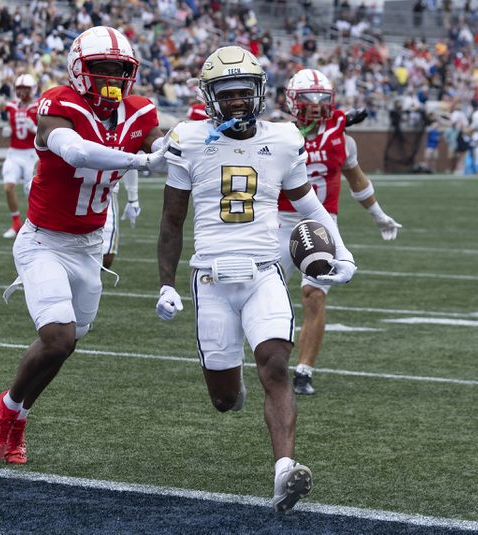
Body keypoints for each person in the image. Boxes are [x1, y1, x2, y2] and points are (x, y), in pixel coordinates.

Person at [157, 47, 357, 513]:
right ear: (211, 98)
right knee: (225, 399)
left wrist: (343, 251)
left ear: (259, 94)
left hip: (265, 272)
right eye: (227, 95)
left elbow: (310, 205)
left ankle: (284, 472)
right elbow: (171, 222)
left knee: (274, 365)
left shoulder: (284, 139)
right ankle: (233, 389)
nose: (238, 102)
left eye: (244, 93)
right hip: (210, 279)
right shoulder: (188, 139)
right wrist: (166, 282)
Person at [0, 26, 167, 466]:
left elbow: (164, 141)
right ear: (79, 70)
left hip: (89, 246)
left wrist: (179, 143)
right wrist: (143, 159)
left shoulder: (139, 112)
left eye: (119, 71)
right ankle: (4, 410)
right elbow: (78, 152)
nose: (111, 79)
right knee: (58, 337)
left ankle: (22, 415)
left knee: (66, 344)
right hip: (43, 241)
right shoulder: (57, 104)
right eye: (101, 69)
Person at [277, 69, 401, 396]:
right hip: (279, 219)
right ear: (293, 101)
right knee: (265, 290)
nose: (316, 106)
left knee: (314, 294)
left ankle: (304, 370)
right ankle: (263, 359)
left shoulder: (342, 138)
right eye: (308, 99)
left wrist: (379, 215)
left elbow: (357, 180)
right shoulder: (280, 134)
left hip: (322, 223)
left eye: (322, 99)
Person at [1, 74, 39, 238]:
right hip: (14, 152)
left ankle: (35, 226)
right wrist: (7, 130)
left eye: (26, 89)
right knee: (8, 187)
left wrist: (36, 129)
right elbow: (10, 124)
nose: (22, 92)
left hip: (32, 154)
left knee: (31, 192)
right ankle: (16, 223)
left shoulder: (39, 106)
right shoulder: (10, 106)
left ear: (33, 89)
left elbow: (47, 132)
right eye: (20, 89)